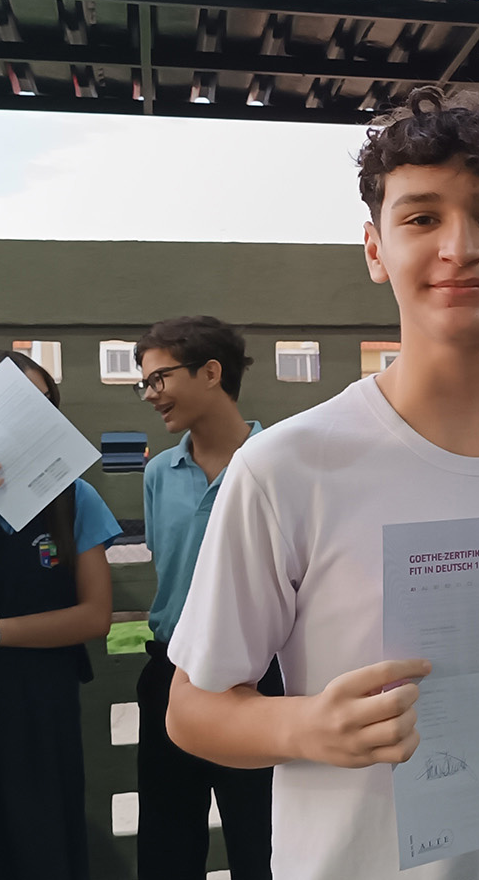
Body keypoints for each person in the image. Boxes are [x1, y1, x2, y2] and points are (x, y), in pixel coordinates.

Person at [161, 87, 479, 879]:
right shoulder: (288, 467)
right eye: (422, 218)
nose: (460, 247)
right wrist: (307, 728)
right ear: (375, 249)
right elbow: (192, 710)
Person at [133, 316, 280, 880]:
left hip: (256, 679)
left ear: (212, 372)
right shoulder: (158, 474)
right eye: (144, 383)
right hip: (169, 671)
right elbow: (169, 569)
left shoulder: (279, 462)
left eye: (159, 378)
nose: (151, 394)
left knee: (260, 841)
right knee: (167, 844)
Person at [0, 349, 121, 880]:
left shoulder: (73, 496)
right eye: (15, 405)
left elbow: (95, 616)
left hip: (42, 702)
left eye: (43, 406)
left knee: (44, 841)